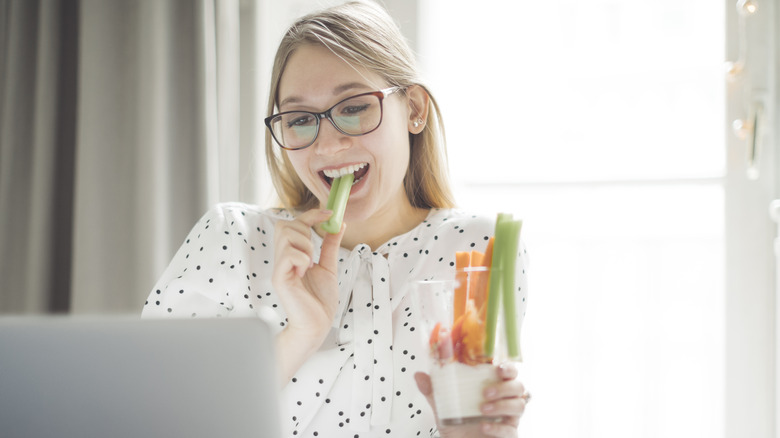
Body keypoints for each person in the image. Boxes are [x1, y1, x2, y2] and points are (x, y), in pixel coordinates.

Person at [142, 1, 530, 437]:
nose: (327, 145)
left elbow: (477, 417)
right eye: (301, 119)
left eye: (353, 108)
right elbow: (157, 419)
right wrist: (301, 334)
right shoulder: (235, 239)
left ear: (415, 109)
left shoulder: (481, 248)